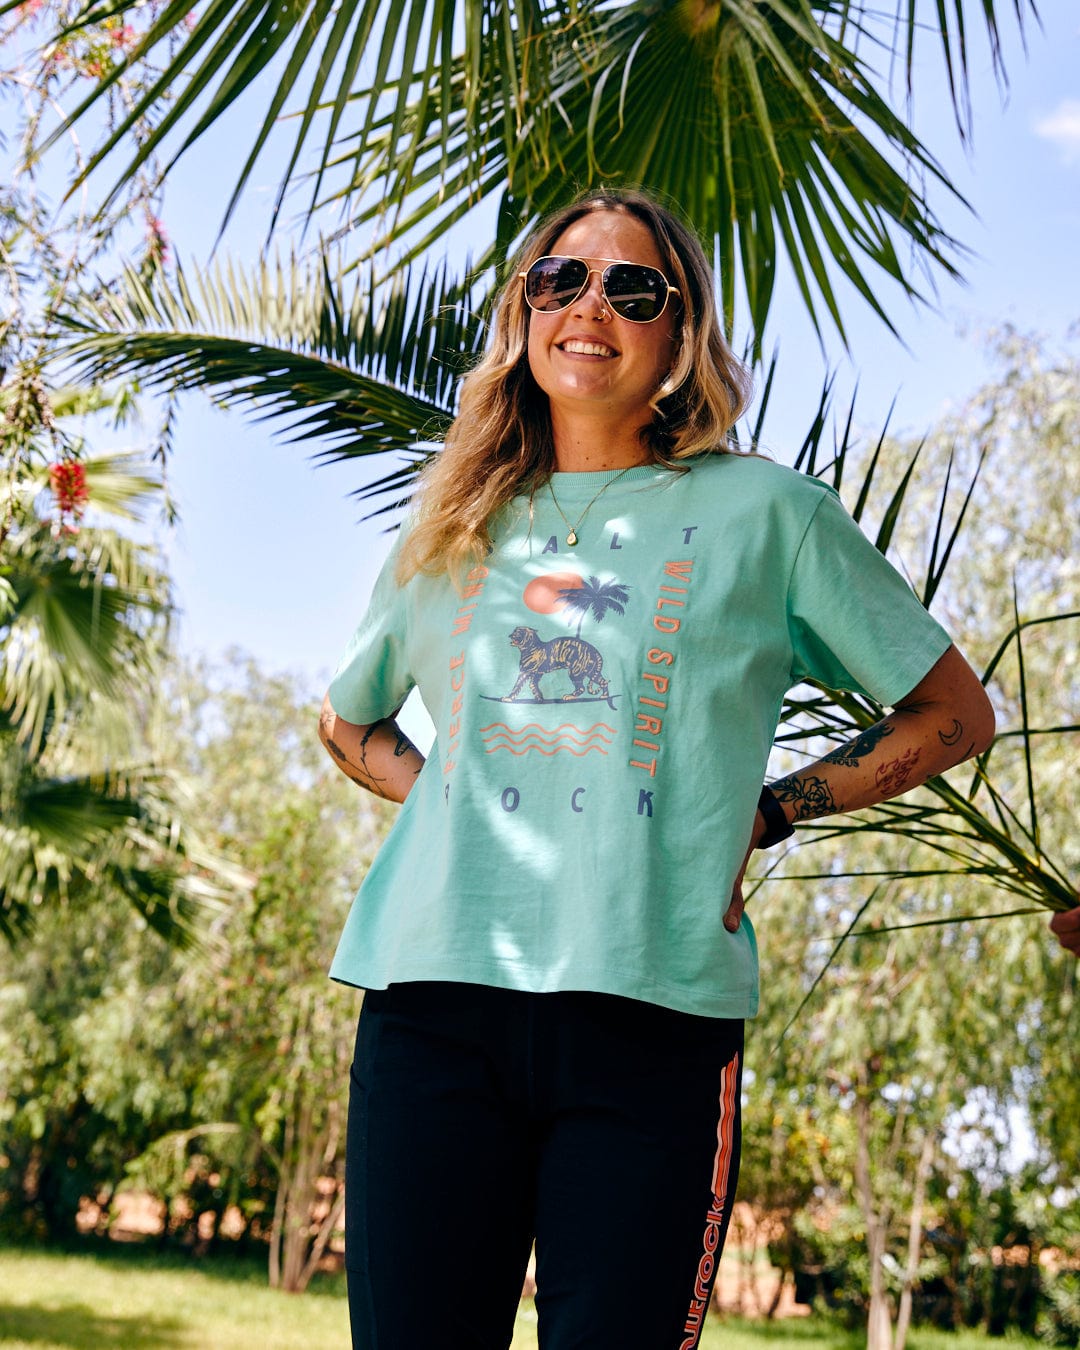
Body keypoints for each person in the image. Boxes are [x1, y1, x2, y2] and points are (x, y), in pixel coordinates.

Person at [318, 188, 1005, 1350]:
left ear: (680, 336)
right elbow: (349, 723)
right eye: (560, 278)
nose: (591, 306)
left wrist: (775, 809)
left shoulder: (768, 513)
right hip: (432, 1005)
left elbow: (954, 711)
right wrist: (445, 792)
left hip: (654, 1018)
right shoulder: (452, 522)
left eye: (633, 289)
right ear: (524, 311)